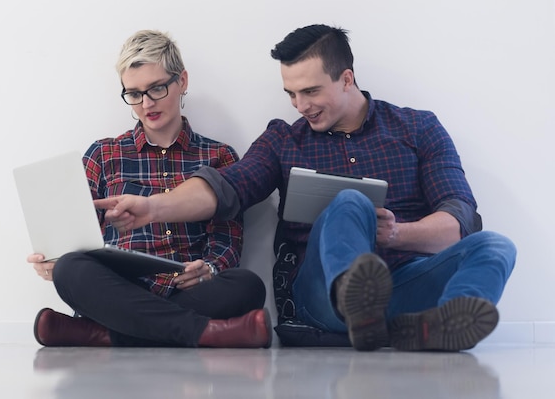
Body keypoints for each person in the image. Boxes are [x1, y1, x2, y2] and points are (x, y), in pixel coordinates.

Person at [96, 24, 517, 352]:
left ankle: (433, 327)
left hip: (407, 278)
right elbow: (228, 187)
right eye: (291, 93)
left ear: (347, 78)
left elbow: (458, 220)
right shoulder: (284, 139)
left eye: (311, 91)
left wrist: (397, 234)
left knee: (496, 246)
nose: (300, 105)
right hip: (322, 296)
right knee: (350, 201)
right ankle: (358, 308)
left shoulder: (418, 128)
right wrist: (152, 208)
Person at [28, 29, 271, 348]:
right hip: (120, 289)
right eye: (134, 94)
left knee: (247, 286)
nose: (146, 104)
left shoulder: (218, 155)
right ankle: (205, 332)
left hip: (187, 289)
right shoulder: (103, 155)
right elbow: (76, 238)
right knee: (71, 271)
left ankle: (101, 334)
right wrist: (54, 258)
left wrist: (210, 268)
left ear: (181, 81)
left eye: (157, 88)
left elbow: (227, 239)